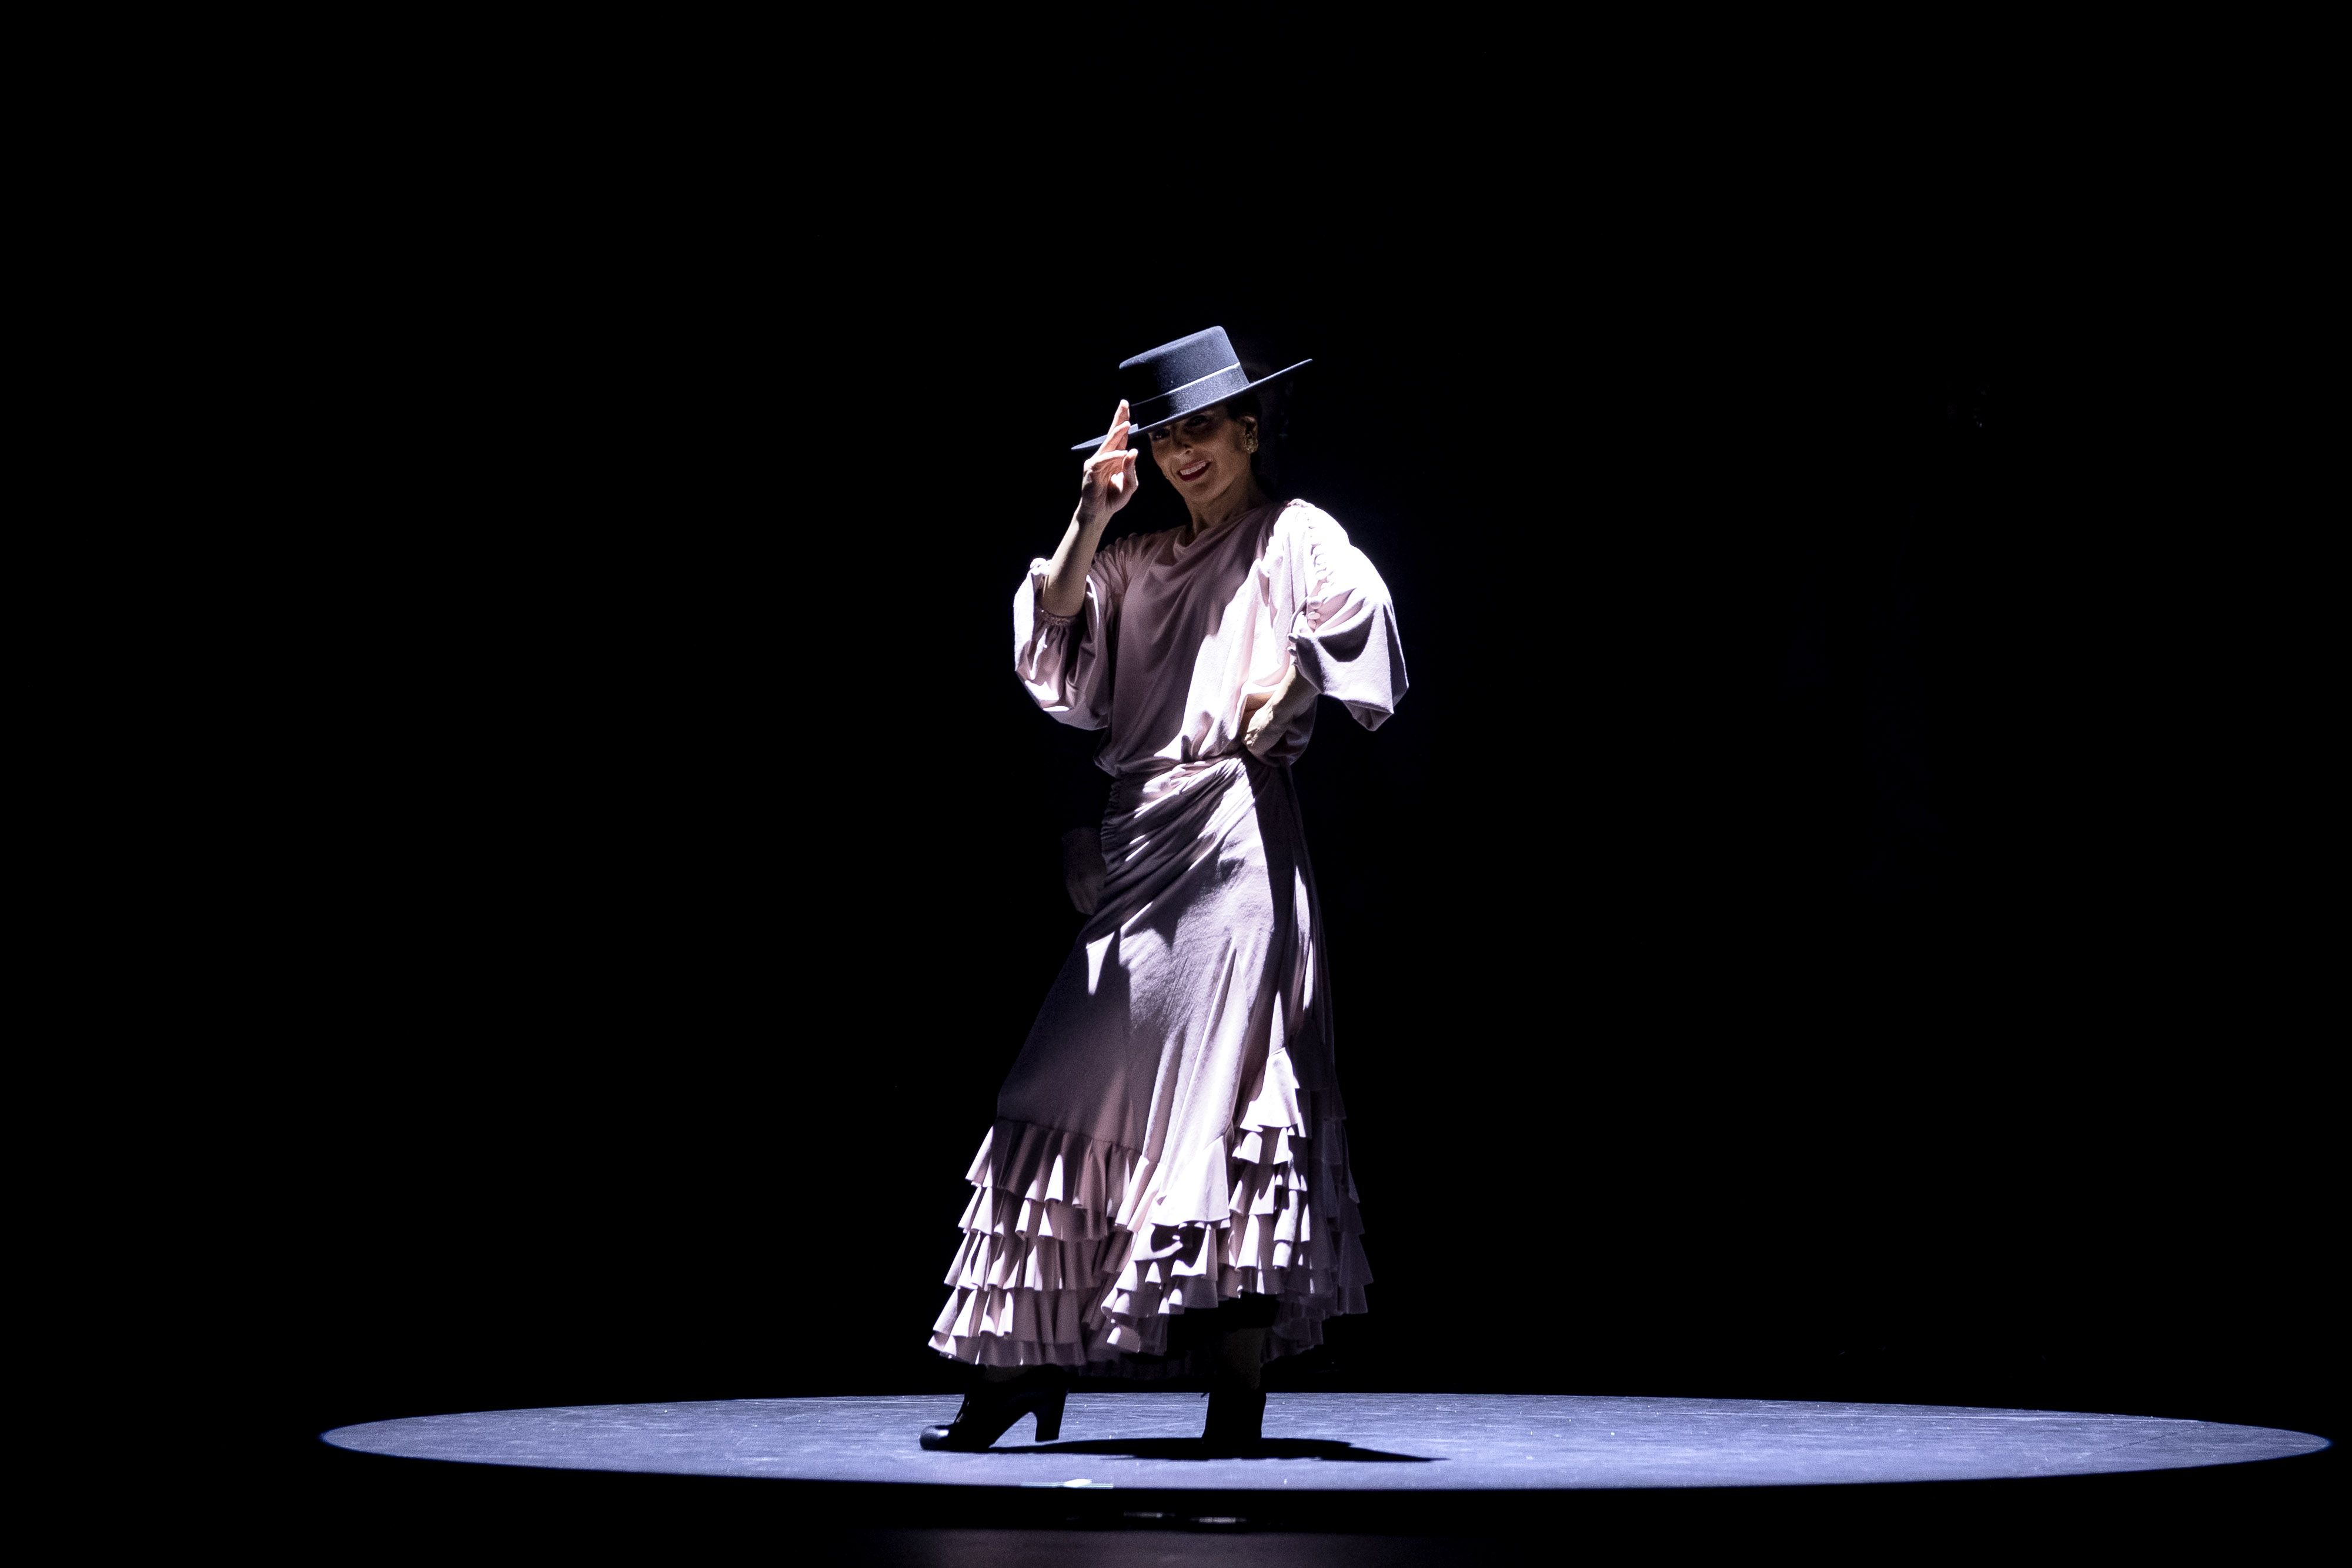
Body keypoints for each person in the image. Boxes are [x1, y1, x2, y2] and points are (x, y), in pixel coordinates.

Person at [921, 327, 1407, 1452]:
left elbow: (1358, 618)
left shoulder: (1295, 536)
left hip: (1234, 838)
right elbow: (1054, 653)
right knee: (1059, 1086)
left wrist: (1298, 678)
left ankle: (1234, 1392)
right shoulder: (1134, 554)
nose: (1188, 453)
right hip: (1139, 834)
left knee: (1230, 1096)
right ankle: (1017, 1367)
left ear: (1250, 428)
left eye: (1206, 429)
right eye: (1169, 435)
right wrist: (1093, 512)